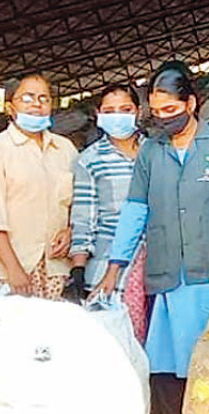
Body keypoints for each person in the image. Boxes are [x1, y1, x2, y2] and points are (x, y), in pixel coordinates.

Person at [96, 61, 209, 414]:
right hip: (168, 270)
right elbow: (135, 209)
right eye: (157, 112)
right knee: (164, 362)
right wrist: (116, 265)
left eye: (171, 110)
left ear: (192, 102)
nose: (164, 119)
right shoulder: (152, 151)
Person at [69, 84, 148, 342]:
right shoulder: (90, 159)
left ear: (139, 111)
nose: (118, 116)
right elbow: (84, 218)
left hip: (158, 264)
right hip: (110, 269)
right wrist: (78, 271)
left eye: (125, 109)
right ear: (98, 114)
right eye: (109, 110)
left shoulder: (157, 151)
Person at [0, 73, 77, 300]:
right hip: (10, 270)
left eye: (44, 98)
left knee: (52, 334)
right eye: (27, 98)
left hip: (56, 269)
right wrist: (13, 269)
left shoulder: (66, 149)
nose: (37, 105)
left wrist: (70, 231)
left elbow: (79, 204)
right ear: (10, 107)